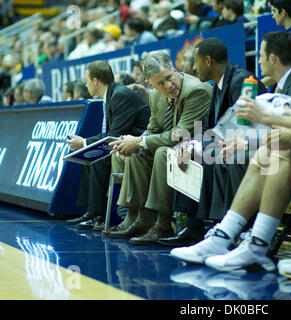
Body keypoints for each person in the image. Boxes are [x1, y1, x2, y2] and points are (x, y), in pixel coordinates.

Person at [169, 31, 291, 270]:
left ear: (272, 58)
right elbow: (224, 127)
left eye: (260, 56)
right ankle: (222, 231)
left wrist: (247, 143)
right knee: (220, 152)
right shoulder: (279, 87)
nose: (258, 61)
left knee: (227, 155)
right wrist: (194, 144)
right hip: (278, 151)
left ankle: (235, 232)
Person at [158, 37, 266, 247]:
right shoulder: (217, 85)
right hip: (228, 144)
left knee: (206, 156)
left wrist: (197, 147)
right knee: (183, 150)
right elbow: (208, 129)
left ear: (208, 61)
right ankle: (193, 226)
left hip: (250, 147)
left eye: (195, 62)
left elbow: (242, 128)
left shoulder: (244, 82)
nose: (193, 67)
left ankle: (222, 227)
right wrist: (188, 145)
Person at [105, 51, 212, 245]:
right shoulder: (155, 96)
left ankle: (163, 224)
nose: (168, 86)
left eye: (169, 78)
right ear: (151, 84)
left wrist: (138, 141)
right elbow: (152, 128)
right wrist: (131, 144)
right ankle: (141, 219)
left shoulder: (196, 90)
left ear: (174, 69)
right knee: (135, 154)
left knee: (162, 153)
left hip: (202, 150)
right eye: (160, 83)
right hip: (176, 148)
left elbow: (180, 134)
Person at [65, 61, 151, 230]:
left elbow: (114, 134)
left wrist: (83, 142)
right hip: (127, 140)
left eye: (87, 80)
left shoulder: (119, 95)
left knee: (97, 157)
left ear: (96, 81)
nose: (86, 84)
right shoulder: (111, 94)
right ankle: (90, 211)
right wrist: (85, 145)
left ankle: (98, 214)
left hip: (140, 143)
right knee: (88, 155)